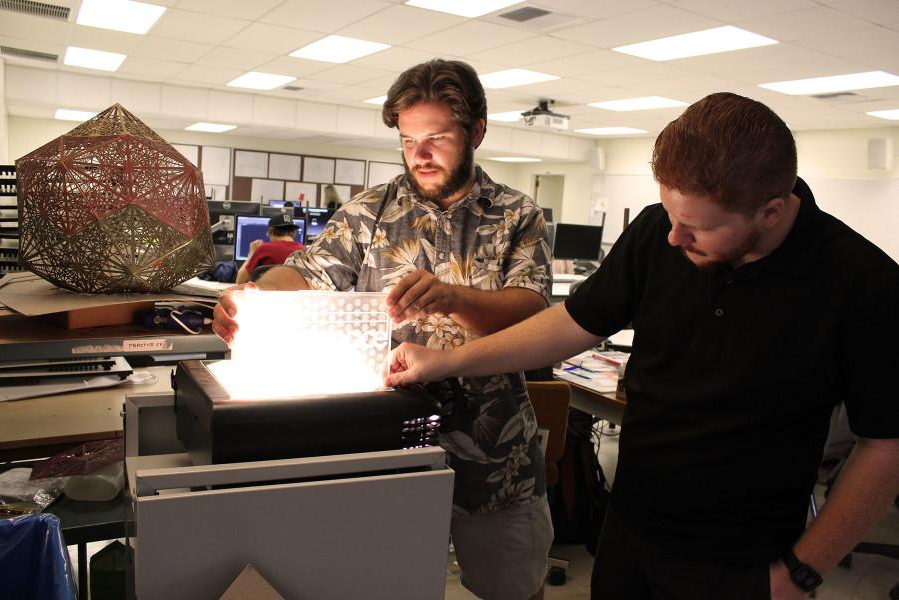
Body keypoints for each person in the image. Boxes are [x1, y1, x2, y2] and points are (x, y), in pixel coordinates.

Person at [387, 92, 899, 600]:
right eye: (670, 215)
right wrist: (447, 362)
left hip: (746, 558)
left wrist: (800, 573)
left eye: (697, 228)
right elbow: (571, 323)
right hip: (631, 529)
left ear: (768, 212)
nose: (674, 238)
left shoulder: (863, 284)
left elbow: (885, 447)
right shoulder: (659, 230)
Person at [213, 59, 554, 600]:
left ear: (477, 133)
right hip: (382, 447)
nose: (419, 154)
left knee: (511, 588)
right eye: (408, 139)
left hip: (496, 450)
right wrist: (258, 293)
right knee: (381, 582)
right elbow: (302, 272)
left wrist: (454, 300)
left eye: (437, 138)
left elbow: (533, 310)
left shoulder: (519, 215)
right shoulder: (368, 212)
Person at [234, 213, 304, 284]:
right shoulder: (304, 251)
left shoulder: (264, 249)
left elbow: (240, 281)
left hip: (267, 293)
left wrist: (252, 253)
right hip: (296, 294)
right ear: (294, 232)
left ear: (271, 232)